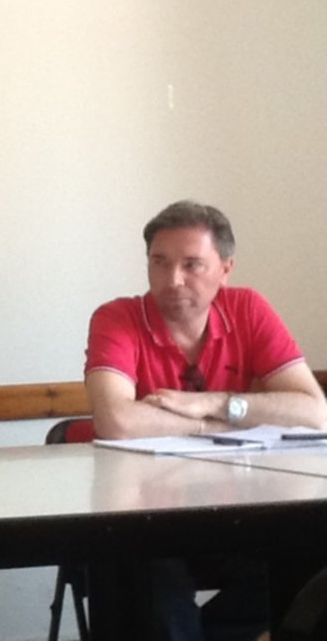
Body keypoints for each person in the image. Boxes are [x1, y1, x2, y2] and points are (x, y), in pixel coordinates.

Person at [85, 199, 327, 641]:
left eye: (191, 265)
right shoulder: (117, 317)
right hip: (148, 517)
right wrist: (209, 425)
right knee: (143, 580)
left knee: (309, 555)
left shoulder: (247, 308)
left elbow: (315, 412)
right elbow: (116, 420)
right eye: (159, 262)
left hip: (237, 513)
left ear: (225, 269)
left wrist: (216, 403)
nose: (172, 280)